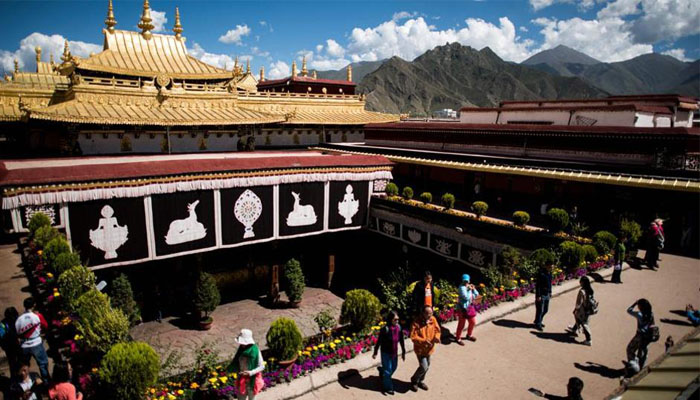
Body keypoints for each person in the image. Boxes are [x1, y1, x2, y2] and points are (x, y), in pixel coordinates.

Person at [372, 310, 406, 395]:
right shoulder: (385, 329)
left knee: (394, 367)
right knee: (388, 371)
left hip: (394, 353)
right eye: (395, 319)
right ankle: (388, 387)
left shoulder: (399, 328)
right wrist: (375, 352)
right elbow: (379, 341)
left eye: (397, 319)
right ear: (390, 319)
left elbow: (401, 340)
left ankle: (382, 372)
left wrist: (403, 351)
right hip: (385, 353)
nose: (397, 321)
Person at [15, 298, 49, 380]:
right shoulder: (37, 316)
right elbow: (46, 326)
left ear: (24, 306)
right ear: (34, 305)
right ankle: (46, 382)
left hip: (24, 346)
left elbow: (17, 333)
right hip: (36, 343)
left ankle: (26, 382)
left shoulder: (19, 320)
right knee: (43, 364)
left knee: (24, 366)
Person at [409, 305, 441, 392]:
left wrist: (437, 337)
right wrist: (423, 341)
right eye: (428, 314)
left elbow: (437, 330)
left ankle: (420, 381)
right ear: (423, 313)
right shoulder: (416, 322)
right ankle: (414, 380)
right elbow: (413, 337)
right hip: (420, 349)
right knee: (424, 366)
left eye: (431, 313)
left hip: (429, 349)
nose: (430, 315)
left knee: (427, 366)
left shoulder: (433, 319)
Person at [227, 329, 264, 400]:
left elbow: (262, 366)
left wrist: (250, 373)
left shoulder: (255, 350)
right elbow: (236, 361)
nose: (241, 344)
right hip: (241, 378)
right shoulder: (241, 349)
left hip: (252, 380)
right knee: (240, 398)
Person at [625, 299, 655, 374]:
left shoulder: (639, 314)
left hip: (639, 335)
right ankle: (642, 367)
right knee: (643, 351)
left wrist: (635, 303)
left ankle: (634, 366)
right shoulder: (651, 314)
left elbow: (629, 310)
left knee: (630, 349)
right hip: (647, 336)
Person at [566, 276, 594, 346]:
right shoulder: (590, 290)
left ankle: (588, 339)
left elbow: (579, 302)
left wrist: (576, 309)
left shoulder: (582, 291)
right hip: (588, 310)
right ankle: (574, 329)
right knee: (580, 319)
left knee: (583, 323)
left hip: (582, 310)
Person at [454, 274, 479, 345]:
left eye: (467, 281)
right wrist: (469, 290)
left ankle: (469, 335)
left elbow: (476, 294)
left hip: (469, 308)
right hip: (462, 309)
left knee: (473, 322)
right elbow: (466, 297)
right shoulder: (461, 288)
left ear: (469, 280)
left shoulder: (468, 287)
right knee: (461, 324)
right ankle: (458, 338)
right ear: (462, 280)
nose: (466, 282)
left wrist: (473, 289)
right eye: (464, 281)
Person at [1, 307, 21, 377]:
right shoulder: (18, 320)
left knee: (13, 364)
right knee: (17, 363)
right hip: (13, 346)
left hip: (10, 347)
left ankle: (15, 378)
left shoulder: (3, 324)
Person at [534, 263, 553, 331]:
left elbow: (550, 283)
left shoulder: (550, 274)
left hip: (547, 294)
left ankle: (538, 321)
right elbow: (538, 286)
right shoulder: (541, 274)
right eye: (550, 267)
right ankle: (538, 324)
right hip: (541, 294)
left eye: (552, 267)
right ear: (547, 266)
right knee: (540, 310)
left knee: (545, 310)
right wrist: (538, 295)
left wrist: (550, 291)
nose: (551, 268)